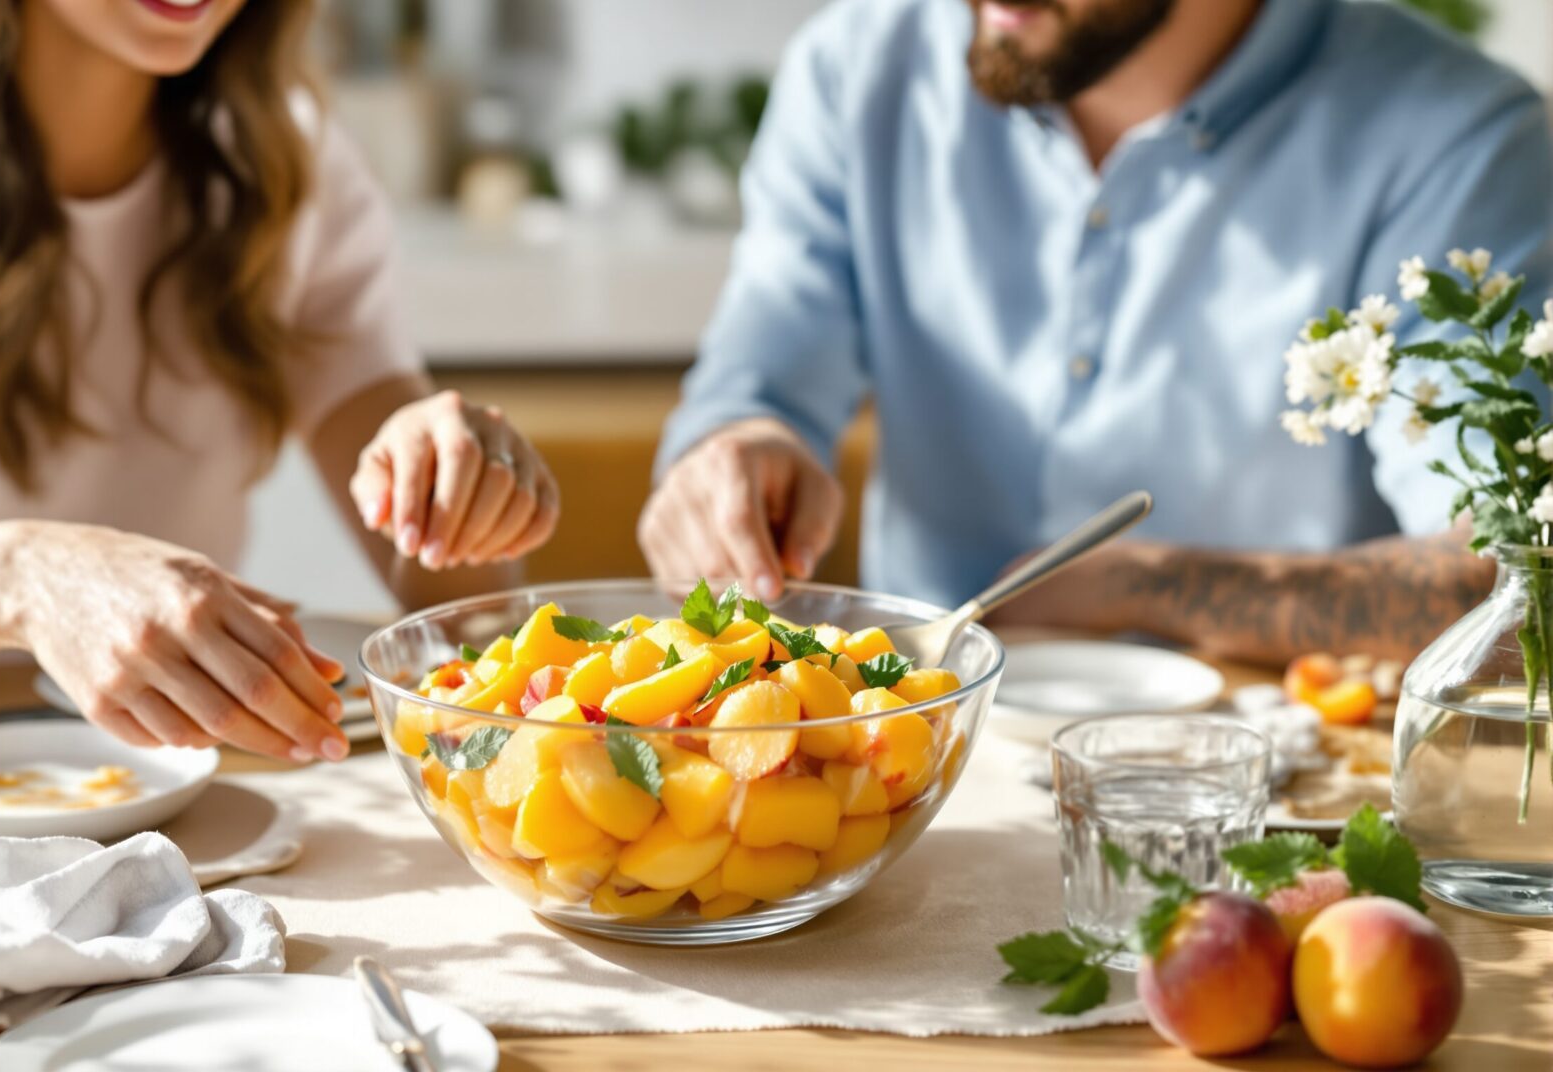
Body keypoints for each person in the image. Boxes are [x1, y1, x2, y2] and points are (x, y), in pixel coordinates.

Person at [0, 0, 560, 761]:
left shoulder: (285, 159)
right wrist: (23, 581)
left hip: (170, 814)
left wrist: (461, 489)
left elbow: (442, 599)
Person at [640, 0, 1553, 663]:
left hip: (1281, 803)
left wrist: (1140, 584)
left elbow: (1514, 577)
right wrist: (736, 452)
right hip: (919, 786)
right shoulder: (857, 70)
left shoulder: (1457, 142)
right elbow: (756, 380)